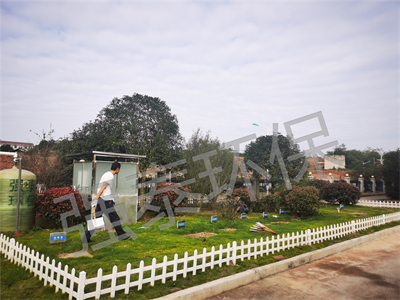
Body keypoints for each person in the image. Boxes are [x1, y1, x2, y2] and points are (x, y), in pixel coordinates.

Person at [83, 162, 131, 243]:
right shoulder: (110, 175)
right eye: (119, 169)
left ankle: (86, 238)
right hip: (105, 201)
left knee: (96, 220)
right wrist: (96, 199)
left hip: (102, 200)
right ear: (118, 169)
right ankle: (121, 236)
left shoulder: (106, 174)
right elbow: (103, 187)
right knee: (115, 218)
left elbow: (105, 189)